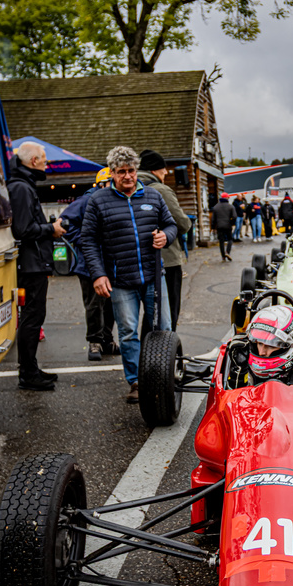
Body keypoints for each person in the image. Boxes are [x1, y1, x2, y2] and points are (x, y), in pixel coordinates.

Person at [81, 146, 177, 404]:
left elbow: (171, 225)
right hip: (121, 280)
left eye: (131, 170)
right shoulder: (98, 201)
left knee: (163, 328)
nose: (127, 176)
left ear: (137, 171)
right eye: (121, 171)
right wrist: (98, 275)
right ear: (112, 173)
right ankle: (136, 382)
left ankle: (163, 375)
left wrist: (165, 236)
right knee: (128, 333)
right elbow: (88, 240)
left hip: (153, 277)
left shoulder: (153, 196)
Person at [7, 142, 66, 391]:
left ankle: (30, 368)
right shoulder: (21, 187)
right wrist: (51, 229)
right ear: (33, 161)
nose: (46, 163)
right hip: (31, 265)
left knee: (33, 317)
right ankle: (28, 373)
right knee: (32, 318)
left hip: (33, 263)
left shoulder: (22, 184)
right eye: (43, 159)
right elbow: (22, 229)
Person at [62, 167, 119, 361]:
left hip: (110, 262)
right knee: (94, 305)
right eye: (111, 183)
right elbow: (65, 222)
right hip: (88, 263)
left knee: (110, 303)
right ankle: (94, 342)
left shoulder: (115, 200)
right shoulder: (86, 200)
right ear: (102, 184)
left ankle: (107, 340)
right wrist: (85, 240)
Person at [138, 149, 192, 332]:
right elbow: (182, 223)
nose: (166, 174)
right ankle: (165, 347)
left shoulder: (129, 189)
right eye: (163, 170)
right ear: (154, 170)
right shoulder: (160, 190)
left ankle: (146, 347)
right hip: (166, 259)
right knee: (167, 310)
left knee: (151, 312)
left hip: (138, 260)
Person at [211, 192, 236, 262]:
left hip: (219, 226)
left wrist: (213, 227)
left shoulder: (216, 207)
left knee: (221, 241)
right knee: (230, 239)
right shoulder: (230, 206)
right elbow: (234, 216)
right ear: (227, 198)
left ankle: (223, 257)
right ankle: (227, 252)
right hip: (228, 225)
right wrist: (232, 223)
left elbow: (213, 219)